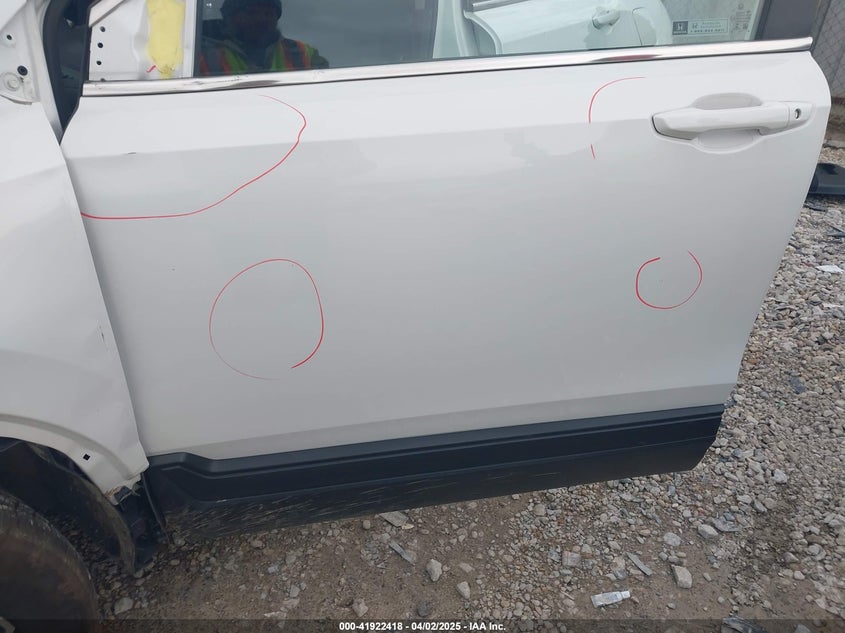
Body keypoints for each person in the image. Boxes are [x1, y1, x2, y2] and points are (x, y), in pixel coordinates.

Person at [200, 0, 328, 75]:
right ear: (230, 18)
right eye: (251, 12)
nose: (261, 19)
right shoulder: (203, 58)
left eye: (268, 13)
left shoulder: (302, 54)